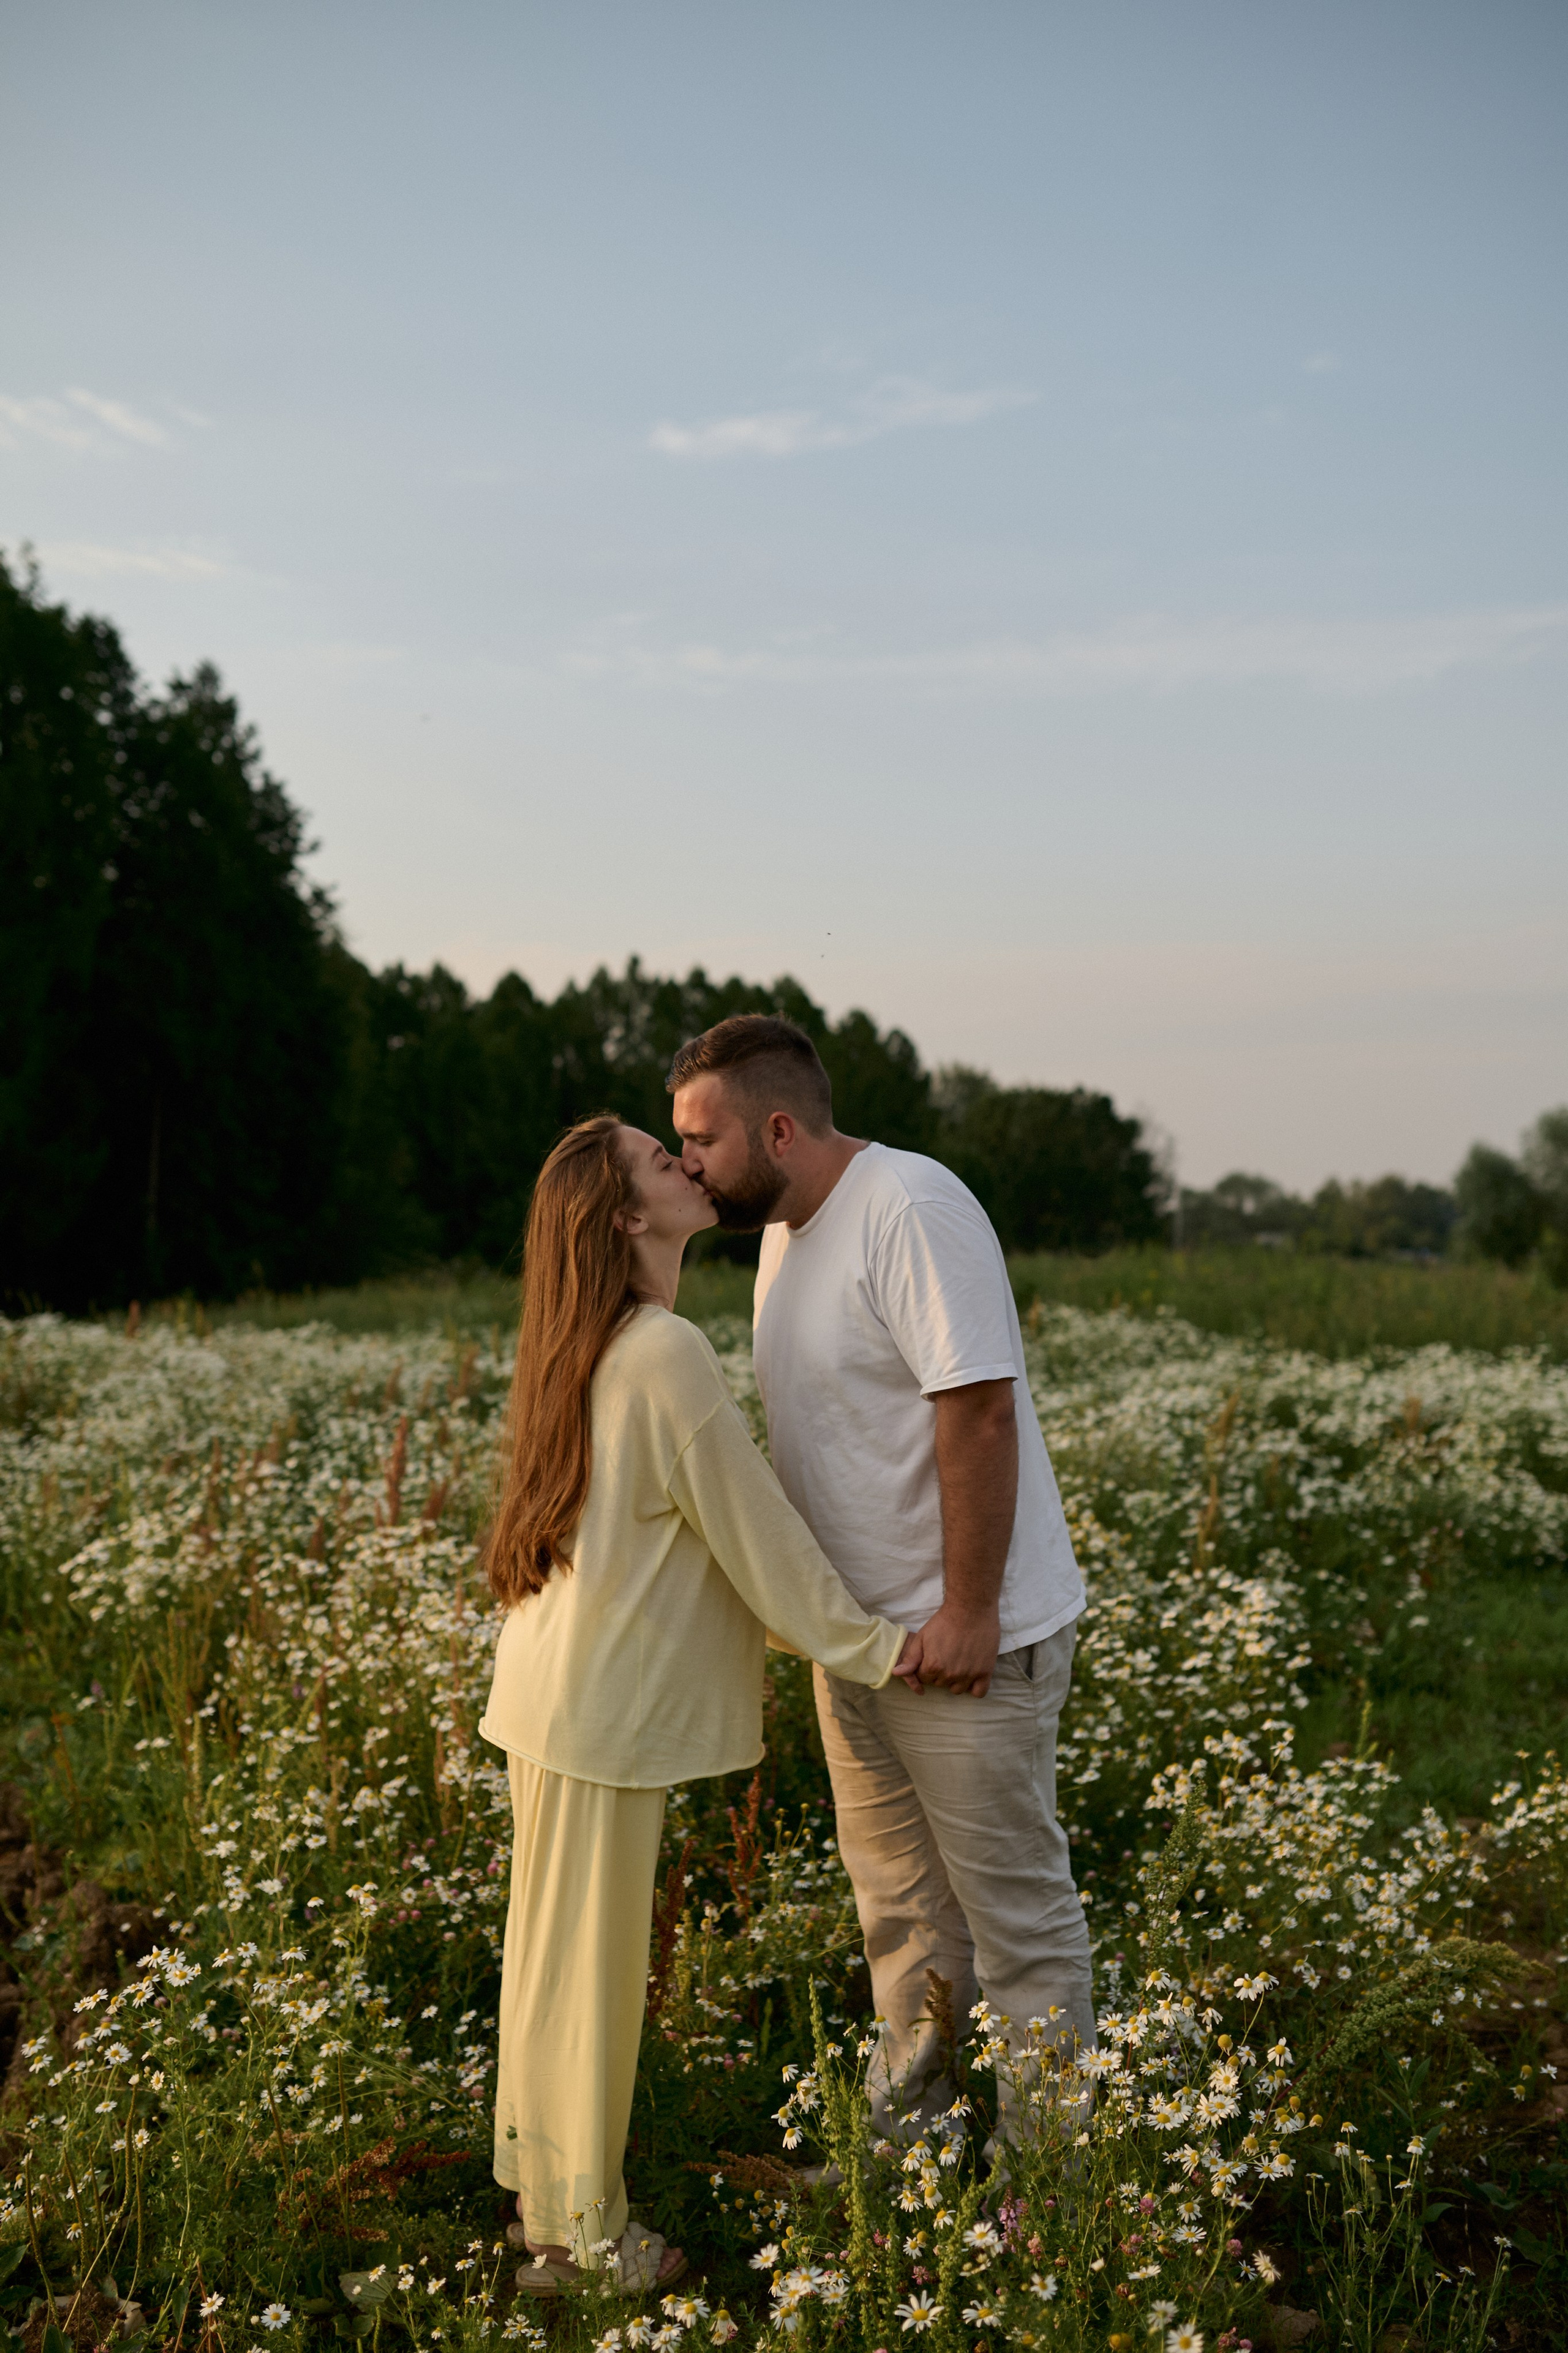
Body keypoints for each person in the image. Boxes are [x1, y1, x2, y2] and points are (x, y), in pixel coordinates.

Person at [477, 1113, 924, 2294]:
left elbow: (709, 1546)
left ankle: (547, 2210)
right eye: (655, 1158)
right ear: (627, 1215)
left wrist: (836, 1635)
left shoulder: (600, 1342)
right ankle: (585, 2245)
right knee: (588, 1981)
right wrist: (882, 1647)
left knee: (553, 1967)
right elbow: (756, 1537)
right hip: (591, 1710)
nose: (683, 1162)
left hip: (550, 1694)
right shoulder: (662, 1350)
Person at [669, 1017, 1096, 2142]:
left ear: (778, 1129)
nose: (687, 1163)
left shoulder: (908, 1204)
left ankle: (1050, 2194)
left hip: (963, 1646)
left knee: (1018, 1925)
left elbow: (980, 1407)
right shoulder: (784, 1237)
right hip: (861, 1649)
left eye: (702, 1139)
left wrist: (969, 1611)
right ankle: (913, 2159)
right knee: (903, 1916)